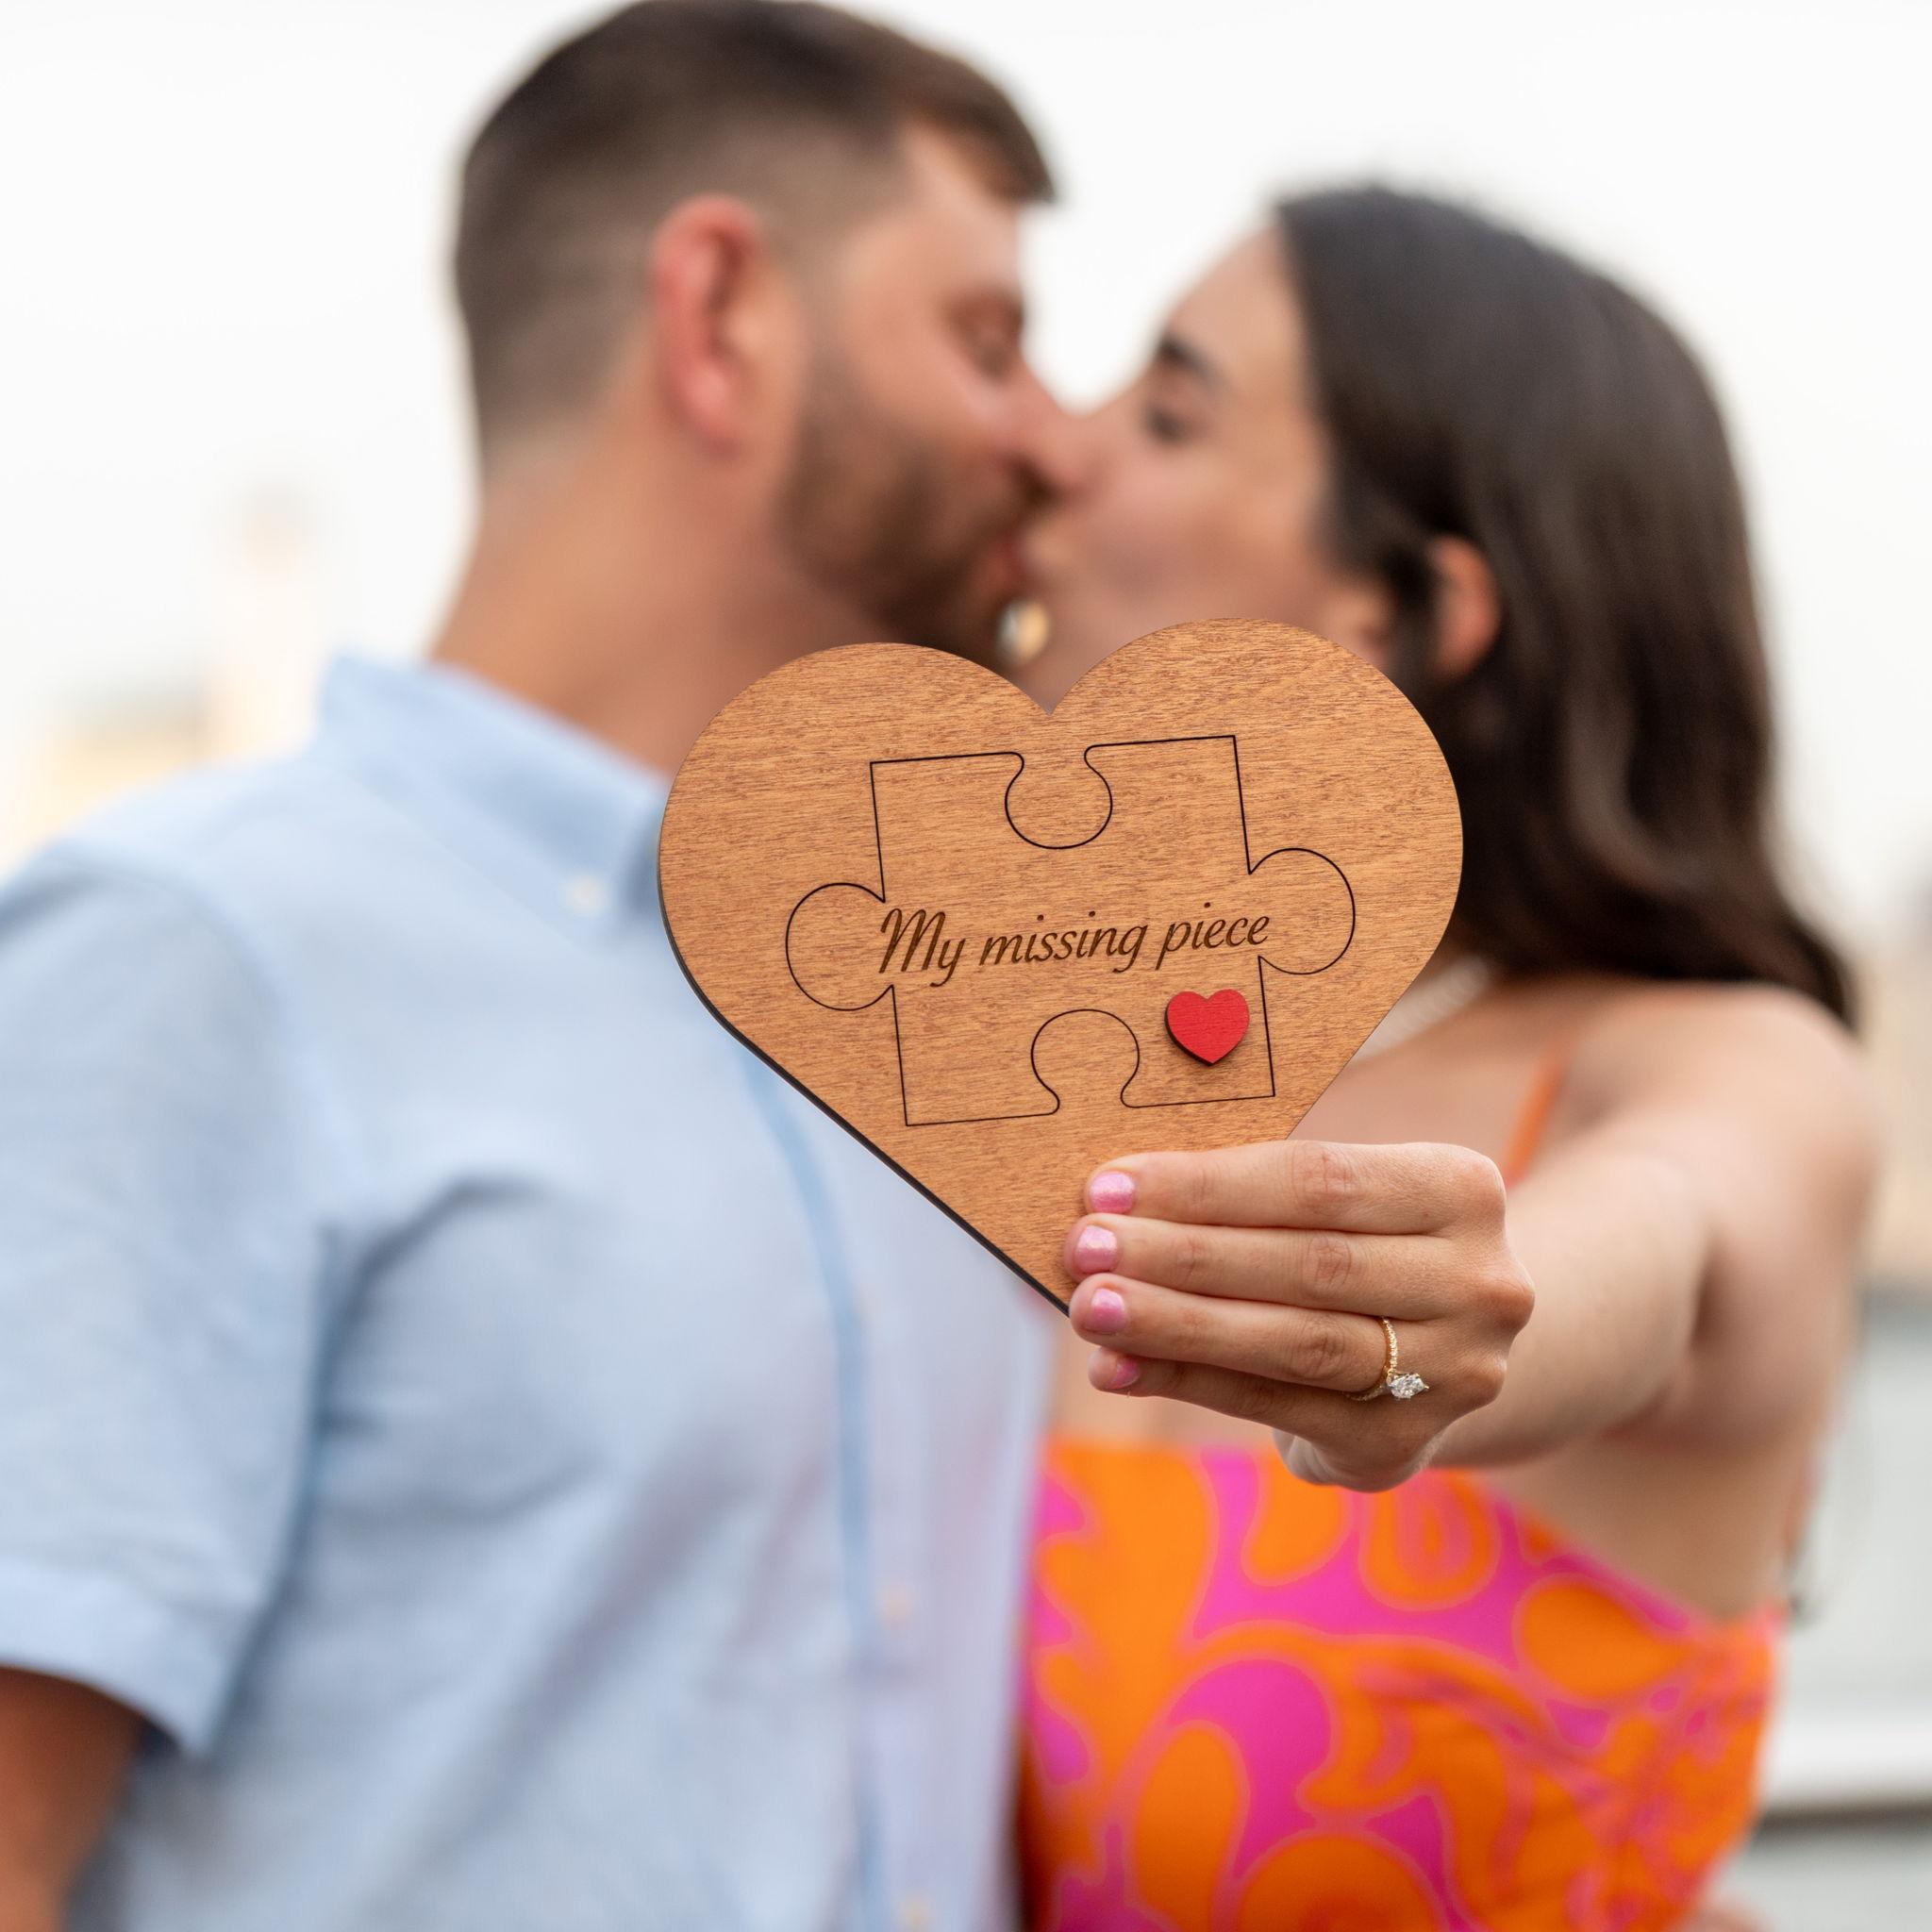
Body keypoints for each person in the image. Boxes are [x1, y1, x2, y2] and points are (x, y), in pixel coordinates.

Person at [0, 7, 1085, 1926]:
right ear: (721, 315)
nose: (1051, 436)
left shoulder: (954, 1016)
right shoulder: (196, 961)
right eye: (984, 340)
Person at [1011, 188, 1876, 1928]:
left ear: (1405, 609)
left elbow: (1667, 1234)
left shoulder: (1723, 1065)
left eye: (1169, 412)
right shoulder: (1035, 1076)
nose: (1056, 440)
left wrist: (1460, 1316)